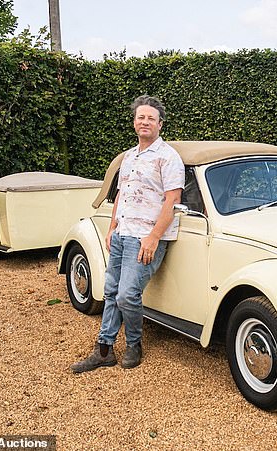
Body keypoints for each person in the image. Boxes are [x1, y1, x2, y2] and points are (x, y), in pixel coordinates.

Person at [71, 95, 185, 372]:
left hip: (146, 237)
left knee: (126, 295)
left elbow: (173, 199)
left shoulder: (168, 157)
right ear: (135, 123)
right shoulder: (129, 157)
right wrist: (112, 228)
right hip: (123, 233)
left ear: (161, 124)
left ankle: (134, 344)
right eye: (141, 117)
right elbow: (121, 196)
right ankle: (104, 350)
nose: (145, 122)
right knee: (110, 291)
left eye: (151, 118)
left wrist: (154, 237)